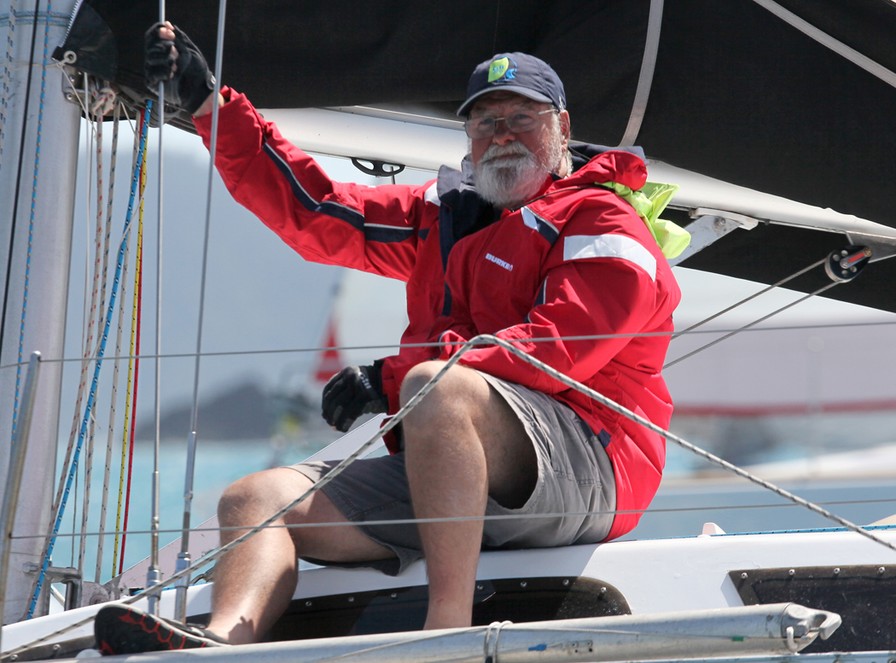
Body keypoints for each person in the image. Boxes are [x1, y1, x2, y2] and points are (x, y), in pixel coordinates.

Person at [94, 22, 682, 654]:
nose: (503, 134)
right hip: (458, 464)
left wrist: (389, 381)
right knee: (254, 498)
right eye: (485, 123)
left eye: (522, 117)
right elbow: (315, 211)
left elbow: (563, 347)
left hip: (594, 464)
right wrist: (210, 107)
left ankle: (446, 631)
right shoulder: (445, 218)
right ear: (467, 138)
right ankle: (219, 642)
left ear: (562, 128)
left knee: (436, 386)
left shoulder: (603, 220)